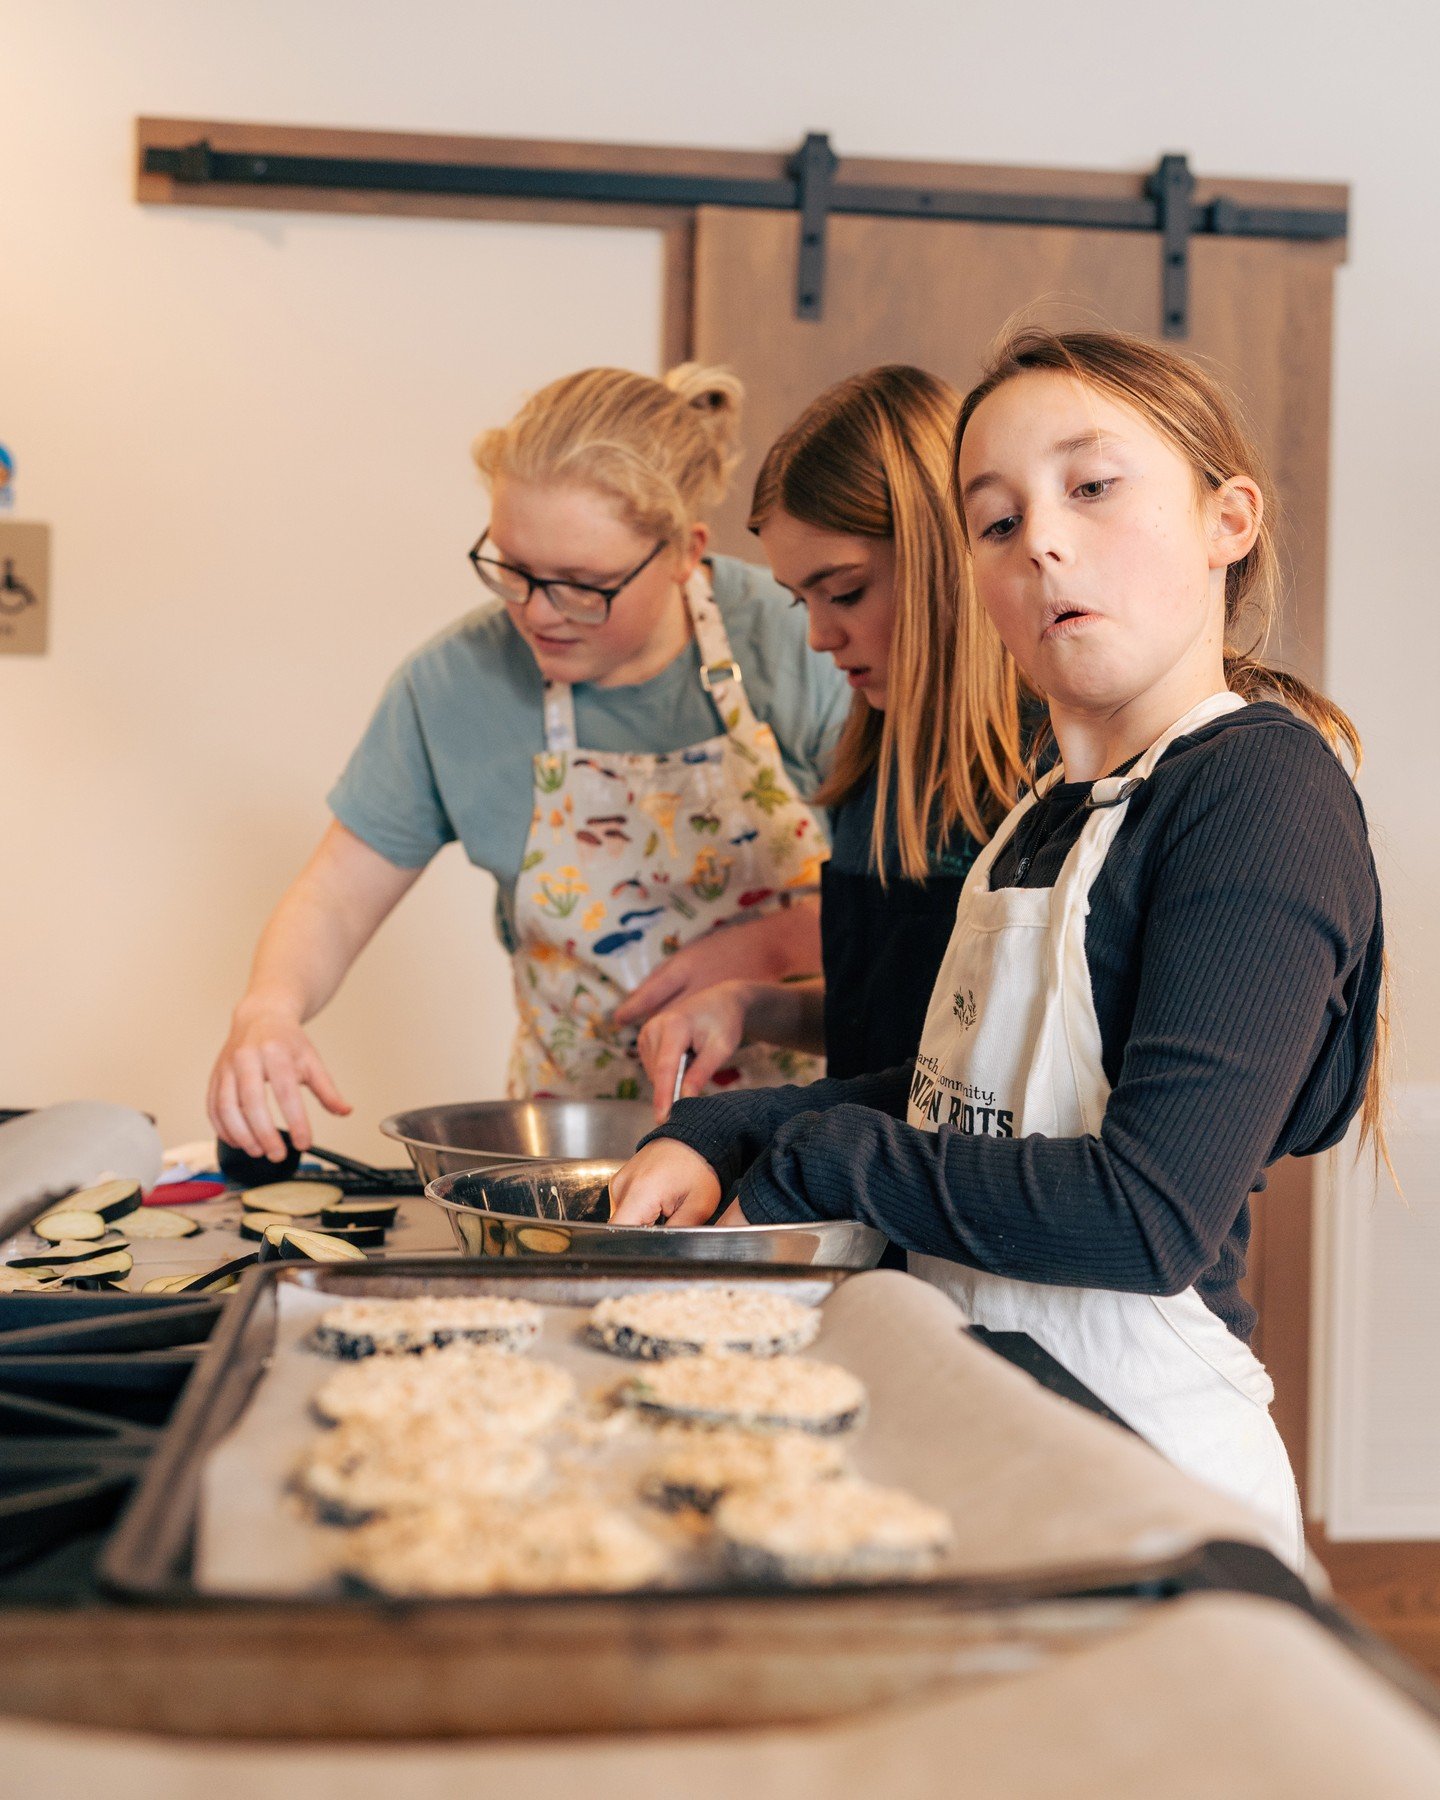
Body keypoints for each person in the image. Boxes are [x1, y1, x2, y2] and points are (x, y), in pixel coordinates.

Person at [610, 327, 1388, 1565]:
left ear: (1225, 518)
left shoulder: (1259, 793)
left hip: (1146, 1480)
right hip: (982, 1431)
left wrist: (817, 1158)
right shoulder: (1050, 811)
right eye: (996, 519)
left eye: (1091, 486)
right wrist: (724, 1128)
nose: (1044, 542)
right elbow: (972, 1104)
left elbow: (1146, 1216)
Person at [208, 364, 850, 1162]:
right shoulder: (451, 685)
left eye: (584, 585)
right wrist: (268, 1009)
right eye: (512, 569)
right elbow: (336, 896)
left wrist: (775, 945)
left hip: (793, 1147)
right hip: (570, 1156)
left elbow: (922, 905)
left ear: (684, 553)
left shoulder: (801, 639)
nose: (537, 613)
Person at [624, 366, 1023, 1119]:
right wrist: (747, 1007)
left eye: (843, 592)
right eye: (799, 600)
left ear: (944, 556)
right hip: (872, 1207)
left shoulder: (1051, 774)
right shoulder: (873, 767)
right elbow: (885, 1034)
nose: (818, 636)